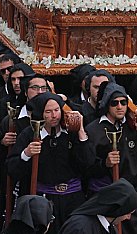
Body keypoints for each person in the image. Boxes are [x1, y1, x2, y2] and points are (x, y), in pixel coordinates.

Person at [7, 91, 92, 232]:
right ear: (41, 113)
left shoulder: (71, 132)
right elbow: (12, 169)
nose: (54, 116)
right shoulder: (30, 134)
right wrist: (26, 154)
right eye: (48, 112)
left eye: (57, 110)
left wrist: (81, 132)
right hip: (44, 200)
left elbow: (87, 162)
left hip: (73, 198)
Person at [84, 82, 137, 233]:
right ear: (107, 105)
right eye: (114, 103)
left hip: (132, 195)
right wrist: (105, 164)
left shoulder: (132, 127)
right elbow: (86, 167)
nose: (120, 107)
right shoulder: (94, 130)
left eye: (123, 102)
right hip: (107, 198)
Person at [59, 179, 137, 233]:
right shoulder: (79, 228)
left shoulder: (110, 228)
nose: (128, 217)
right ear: (117, 209)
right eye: (128, 213)